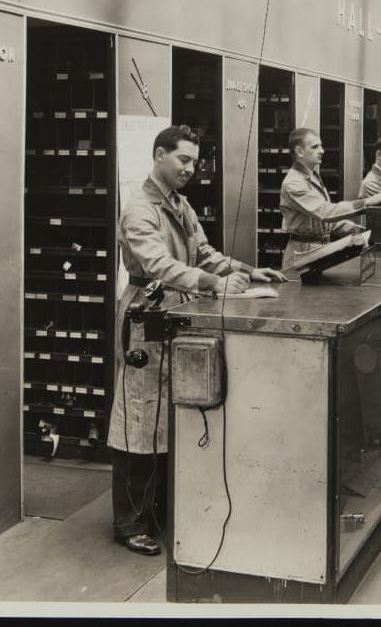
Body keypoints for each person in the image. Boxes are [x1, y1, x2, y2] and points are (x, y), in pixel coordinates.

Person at [108, 125, 286, 556]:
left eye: (194, 161)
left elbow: (203, 253)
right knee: (140, 417)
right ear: (159, 155)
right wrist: (213, 284)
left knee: (169, 416)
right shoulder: (139, 209)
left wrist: (246, 269)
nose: (190, 168)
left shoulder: (180, 205)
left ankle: (159, 510)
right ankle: (130, 522)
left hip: (177, 312)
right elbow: (158, 264)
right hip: (146, 315)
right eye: (183, 159)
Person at [280, 127, 381, 268]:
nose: (322, 151)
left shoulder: (312, 177)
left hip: (316, 252)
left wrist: (362, 231)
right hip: (301, 255)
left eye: (321, 146)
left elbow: (328, 224)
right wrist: (368, 202)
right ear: (299, 151)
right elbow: (325, 212)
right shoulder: (294, 183)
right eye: (315, 147)